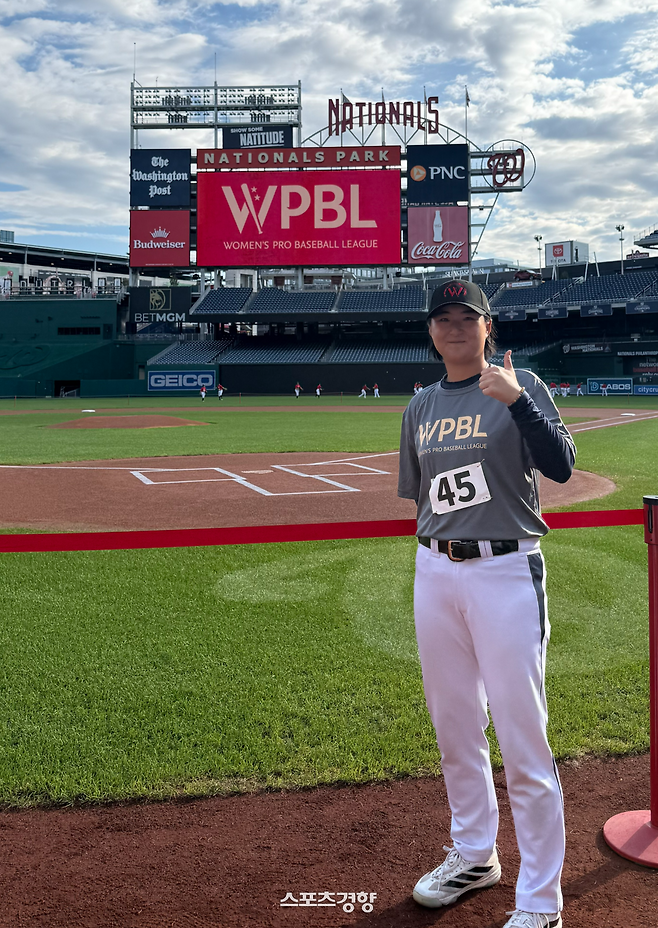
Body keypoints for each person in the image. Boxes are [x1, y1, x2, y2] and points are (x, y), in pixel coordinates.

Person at [398, 278, 574, 928]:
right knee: (455, 730)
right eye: (440, 318)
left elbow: (560, 464)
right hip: (436, 573)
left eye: (464, 317)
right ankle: (475, 854)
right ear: (430, 331)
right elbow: (426, 500)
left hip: (505, 572)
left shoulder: (518, 383)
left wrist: (520, 403)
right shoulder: (419, 407)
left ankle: (541, 903)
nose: (452, 327)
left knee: (524, 741)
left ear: (487, 327)